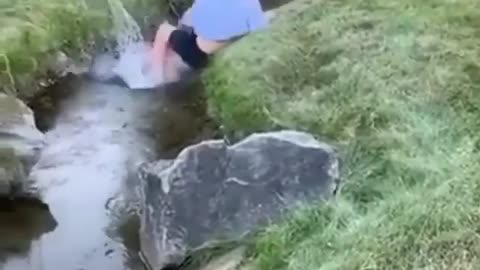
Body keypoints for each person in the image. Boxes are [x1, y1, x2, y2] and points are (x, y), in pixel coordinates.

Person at [148, 0, 272, 83]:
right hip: (218, 50)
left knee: (163, 30)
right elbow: (259, 28)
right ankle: (170, 76)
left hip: (199, 54)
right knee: (172, 54)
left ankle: (156, 80)